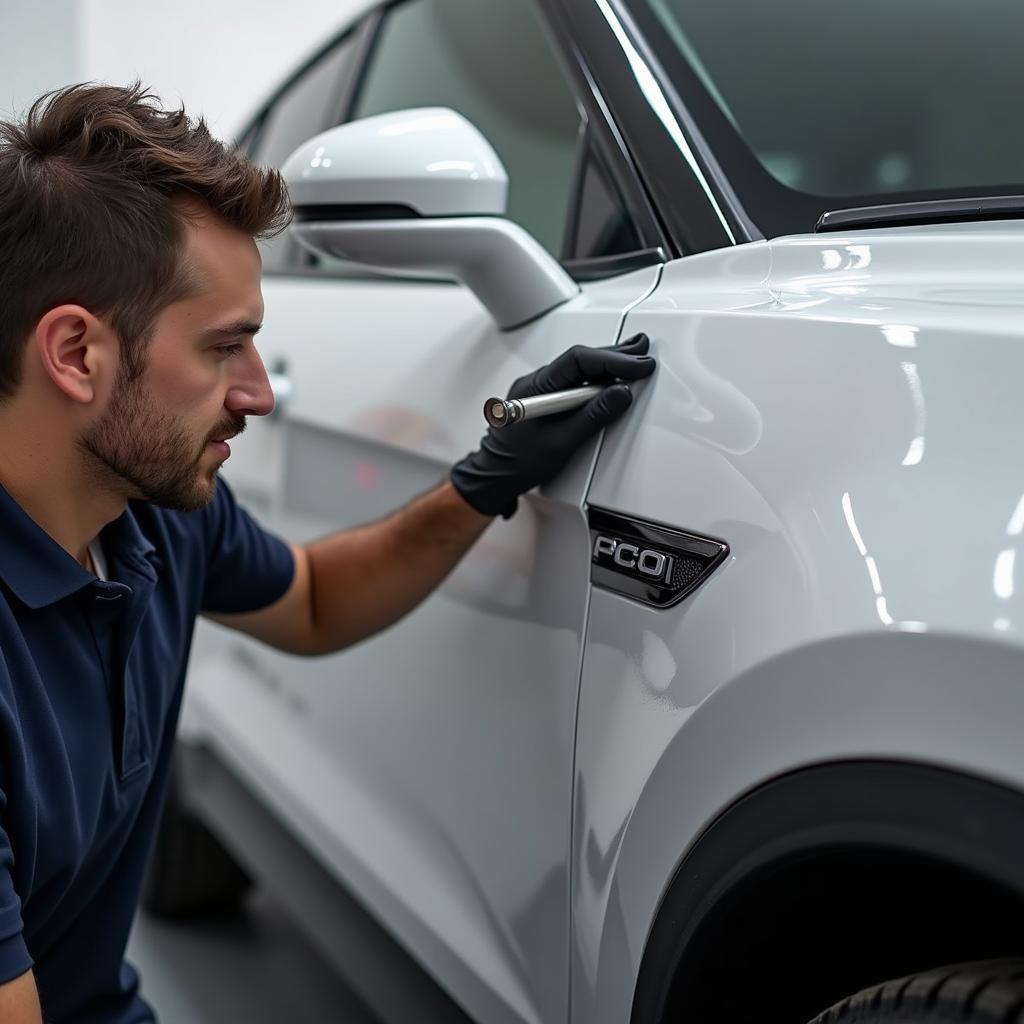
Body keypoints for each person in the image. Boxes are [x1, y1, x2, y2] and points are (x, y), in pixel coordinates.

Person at [0, 81, 656, 1022]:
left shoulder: (151, 517)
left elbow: (310, 602)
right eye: (226, 347)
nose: (261, 393)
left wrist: (487, 479)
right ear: (75, 354)